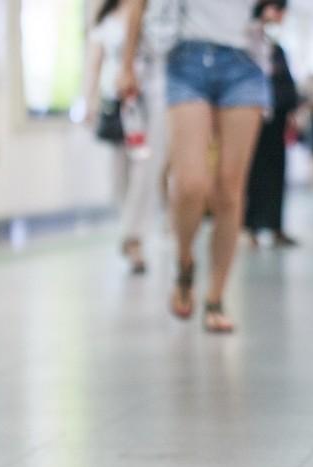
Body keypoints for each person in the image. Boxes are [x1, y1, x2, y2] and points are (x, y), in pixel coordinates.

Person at [118, 0, 269, 334]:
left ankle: (215, 297)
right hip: (185, 59)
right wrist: (127, 64)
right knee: (190, 184)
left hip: (244, 60)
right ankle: (185, 263)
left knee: (229, 190)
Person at [84, 0, 168, 275]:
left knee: (144, 169)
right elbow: (95, 63)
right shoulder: (105, 22)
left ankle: (134, 238)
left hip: (147, 104)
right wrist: (90, 100)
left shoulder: (151, 13)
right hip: (117, 105)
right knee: (119, 174)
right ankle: (129, 227)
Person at [244, 1, 300, 248]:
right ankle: (250, 227)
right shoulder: (245, 44)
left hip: (276, 121)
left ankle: (276, 226)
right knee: (252, 174)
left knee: (277, 174)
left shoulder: (277, 50)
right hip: (252, 119)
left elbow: (288, 88)